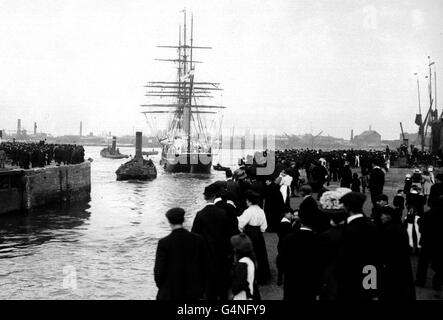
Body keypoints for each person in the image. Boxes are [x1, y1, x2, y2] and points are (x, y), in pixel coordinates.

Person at [154, 208, 207, 300]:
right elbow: (204, 265)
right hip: (193, 290)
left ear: (169, 221)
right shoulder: (198, 239)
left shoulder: (164, 243)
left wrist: (163, 287)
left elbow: (159, 271)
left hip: (171, 291)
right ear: (183, 220)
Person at [336, 192, 380, 300]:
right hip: (366, 280)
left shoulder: (351, 229)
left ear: (347, 207)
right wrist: (372, 289)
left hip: (350, 282)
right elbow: (373, 260)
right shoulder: (370, 225)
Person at [192, 184, 231, 300]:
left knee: (209, 285)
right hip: (221, 252)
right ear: (215, 196)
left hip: (206, 254)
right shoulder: (222, 213)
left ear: (205, 197)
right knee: (222, 282)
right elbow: (227, 234)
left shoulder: (200, 214)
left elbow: (195, 235)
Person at [280, 199, 320, 301]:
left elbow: (281, 260)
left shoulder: (289, 238)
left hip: (291, 282)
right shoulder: (318, 240)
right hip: (309, 284)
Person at [379, 206, 416, 300]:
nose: (381, 217)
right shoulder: (399, 227)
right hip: (402, 265)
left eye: (383, 215)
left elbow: (386, 250)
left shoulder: (389, 230)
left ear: (389, 216)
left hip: (392, 266)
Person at [238, 190, 271, 285]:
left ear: (250, 201)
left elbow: (241, 224)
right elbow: (264, 227)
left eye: (247, 200)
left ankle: (249, 276)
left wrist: (242, 230)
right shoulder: (261, 210)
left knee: (249, 255)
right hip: (258, 234)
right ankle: (263, 277)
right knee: (261, 255)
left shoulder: (248, 211)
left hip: (250, 233)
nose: (246, 202)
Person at [229, 233, 260, 300]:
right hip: (249, 294)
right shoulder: (250, 260)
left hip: (241, 296)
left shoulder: (242, 263)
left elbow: (236, 287)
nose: (234, 249)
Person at [276, 207, 295, 286]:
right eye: (290, 214)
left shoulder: (281, 222)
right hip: (286, 245)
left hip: (281, 244)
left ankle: (279, 279)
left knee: (281, 261)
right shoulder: (287, 224)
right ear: (286, 214)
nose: (291, 216)